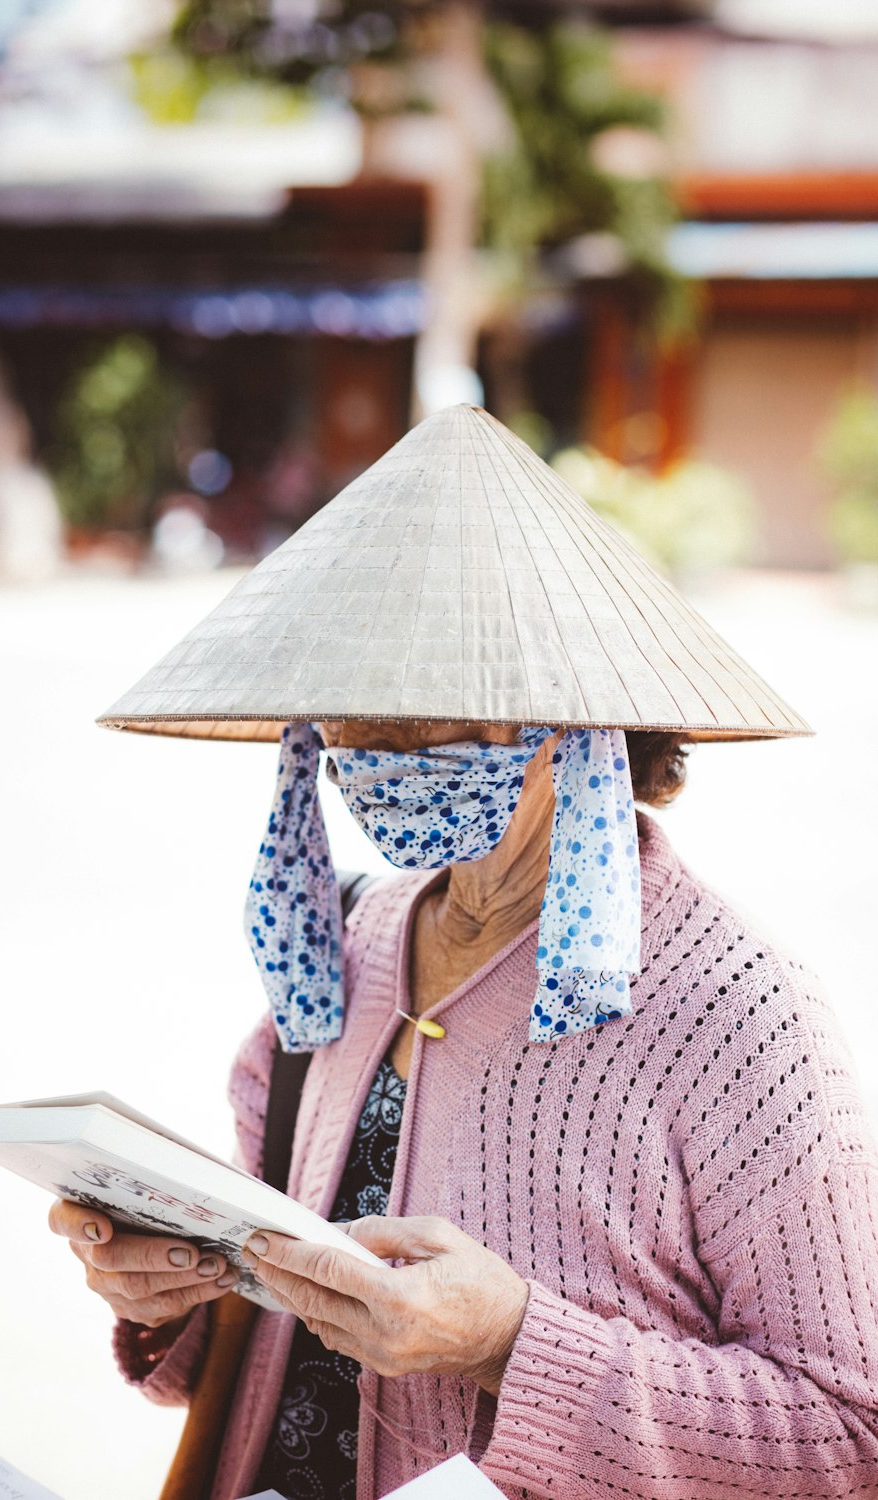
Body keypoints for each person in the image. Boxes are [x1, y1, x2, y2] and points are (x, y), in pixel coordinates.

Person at [51, 406, 878, 1499]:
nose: (385, 746)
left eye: (439, 711)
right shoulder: (337, 945)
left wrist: (511, 1344)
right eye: (354, 713)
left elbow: (846, 1434)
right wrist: (166, 1291)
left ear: (579, 719)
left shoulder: (737, 1014)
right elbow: (266, 1339)